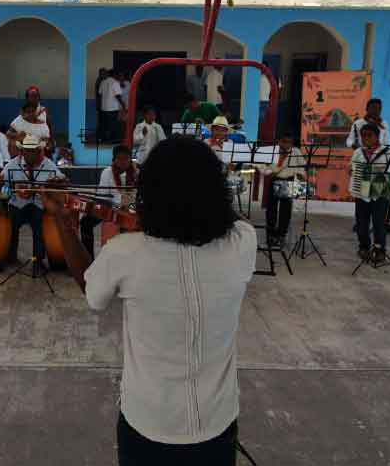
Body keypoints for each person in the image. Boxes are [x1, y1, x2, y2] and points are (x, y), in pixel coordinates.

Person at [42, 137, 256, 465]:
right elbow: (229, 220)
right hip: (216, 422)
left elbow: (92, 292)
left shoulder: (125, 253)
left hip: (148, 424)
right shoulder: (243, 241)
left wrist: (61, 218)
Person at [0, 134, 64, 270]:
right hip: (17, 203)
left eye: (32, 151)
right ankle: (10, 256)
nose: (29, 155)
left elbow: (63, 179)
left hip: (37, 204)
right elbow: (2, 180)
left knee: (38, 226)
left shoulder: (47, 164)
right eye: (26, 151)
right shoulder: (13, 164)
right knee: (11, 224)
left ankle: (38, 261)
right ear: (22, 151)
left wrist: (58, 181)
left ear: (38, 151)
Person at [350, 123, 390, 263]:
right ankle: (363, 247)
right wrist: (351, 170)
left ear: (377, 137)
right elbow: (351, 167)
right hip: (361, 191)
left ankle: (379, 249)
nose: (365, 139)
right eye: (363, 136)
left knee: (378, 223)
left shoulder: (388, 152)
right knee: (361, 223)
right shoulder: (358, 152)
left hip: (380, 191)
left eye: (369, 135)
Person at [79, 145, 138, 258]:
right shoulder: (107, 172)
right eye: (119, 159)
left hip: (131, 208)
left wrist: (128, 205)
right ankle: (88, 258)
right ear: (114, 160)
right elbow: (103, 197)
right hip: (111, 208)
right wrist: (113, 205)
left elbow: (139, 196)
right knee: (85, 222)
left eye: (126, 158)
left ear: (130, 159)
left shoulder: (137, 173)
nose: (123, 162)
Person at [257, 133, 305, 246]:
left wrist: (301, 174)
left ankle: (281, 235)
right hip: (274, 180)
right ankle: (270, 236)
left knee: (286, 210)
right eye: (284, 141)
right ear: (279, 141)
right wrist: (267, 172)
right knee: (271, 210)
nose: (287, 144)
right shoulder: (271, 151)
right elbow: (261, 165)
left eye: (290, 142)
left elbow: (302, 166)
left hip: (289, 181)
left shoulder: (296, 151)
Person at [98, 69, 124, 143]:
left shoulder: (106, 82)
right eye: (100, 74)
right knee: (112, 125)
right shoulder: (112, 82)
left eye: (102, 74)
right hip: (111, 109)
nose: (101, 75)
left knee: (107, 125)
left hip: (106, 108)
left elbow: (100, 94)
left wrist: (101, 106)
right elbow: (118, 95)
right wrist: (123, 105)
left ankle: (106, 139)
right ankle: (111, 140)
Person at [94, 68, 108, 140]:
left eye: (105, 73)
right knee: (101, 122)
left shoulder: (101, 81)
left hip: (101, 105)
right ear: (100, 74)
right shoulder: (100, 81)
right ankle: (100, 137)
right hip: (101, 105)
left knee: (102, 122)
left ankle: (100, 136)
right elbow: (100, 94)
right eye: (103, 73)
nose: (105, 74)